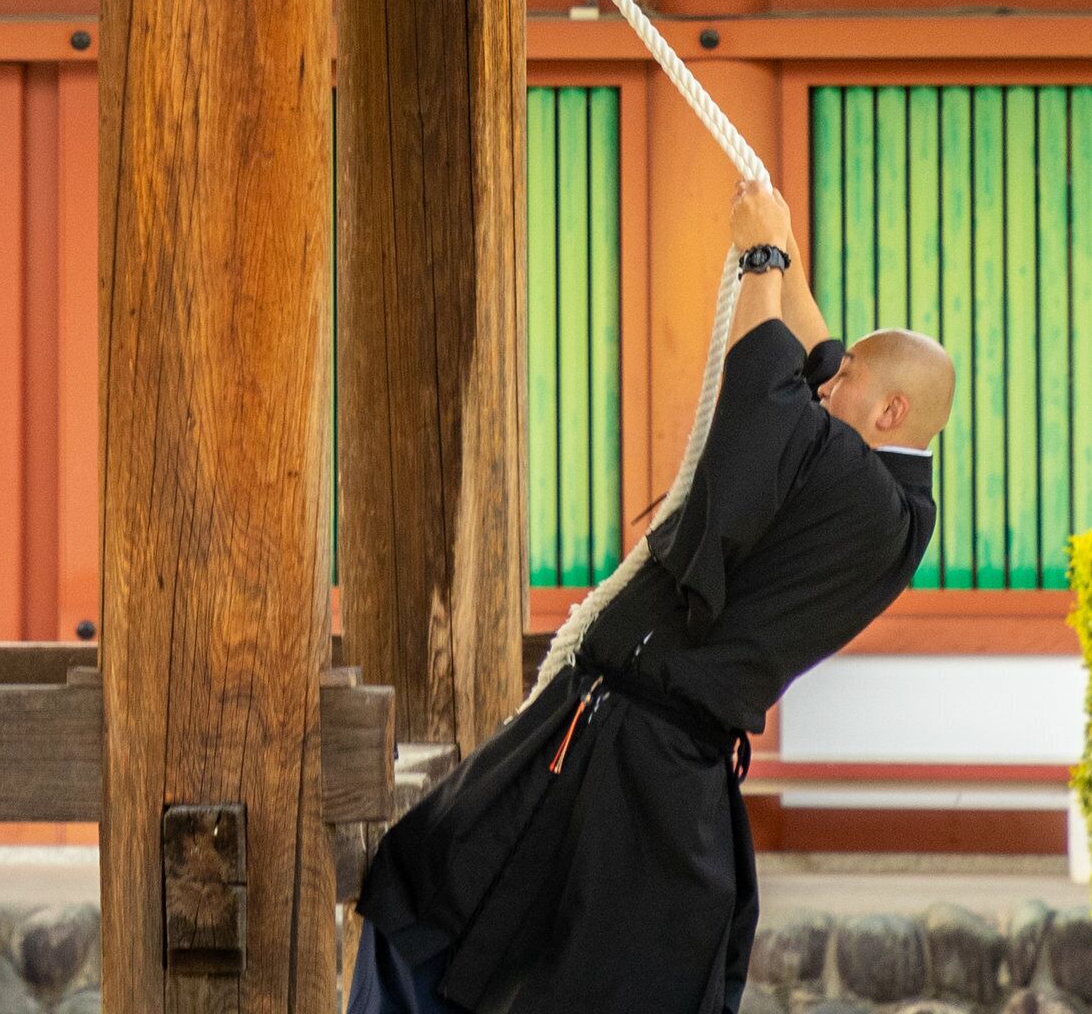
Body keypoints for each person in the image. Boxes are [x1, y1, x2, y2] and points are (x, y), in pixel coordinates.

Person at [351, 178, 954, 1014]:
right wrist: (782, 246)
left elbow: (764, 405)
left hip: (627, 750)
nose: (828, 380)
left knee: (431, 899)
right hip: (654, 760)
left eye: (848, 379)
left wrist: (763, 259)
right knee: (483, 916)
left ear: (888, 412)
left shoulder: (843, 478)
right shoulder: (902, 509)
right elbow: (813, 365)